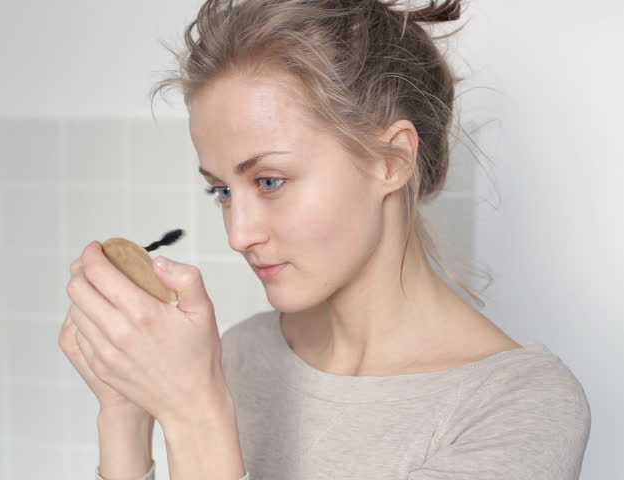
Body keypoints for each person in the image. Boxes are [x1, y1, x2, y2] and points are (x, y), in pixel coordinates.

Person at [65, 1, 591, 478]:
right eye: (222, 191)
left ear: (391, 161)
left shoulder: (516, 407)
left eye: (270, 181)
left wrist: (196, 415)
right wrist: (124, 411)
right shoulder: (243, 351)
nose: (239, 234)